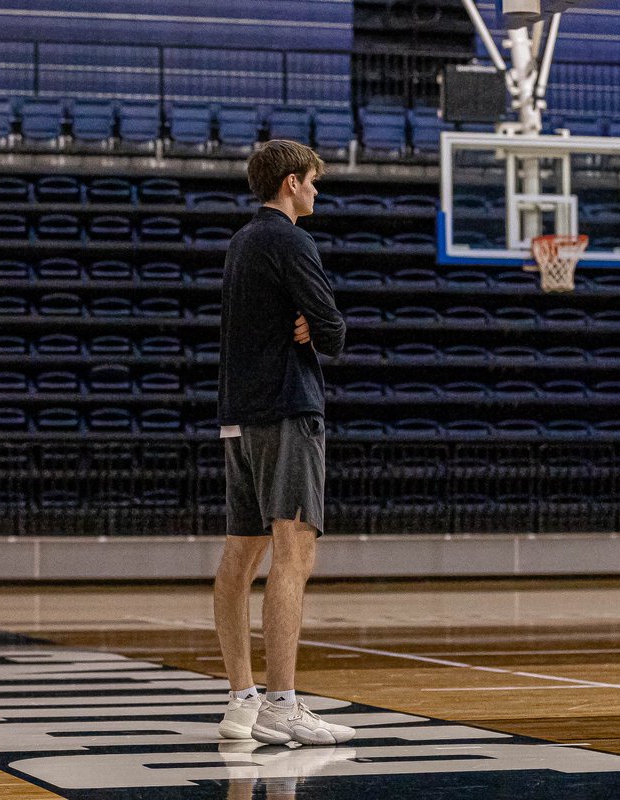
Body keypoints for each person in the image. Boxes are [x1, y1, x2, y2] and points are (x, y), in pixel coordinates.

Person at [212, 139, 352, 747]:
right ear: (292, 183)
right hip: (287, 409)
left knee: (239, 557)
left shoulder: (242, 242)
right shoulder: (291, 239)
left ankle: (241, 702)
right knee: (294, 554)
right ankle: (283, 702)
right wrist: (318, 324)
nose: (317, 192)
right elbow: (333, 330)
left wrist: (305, 321)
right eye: (313, 182)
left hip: (238, 414)